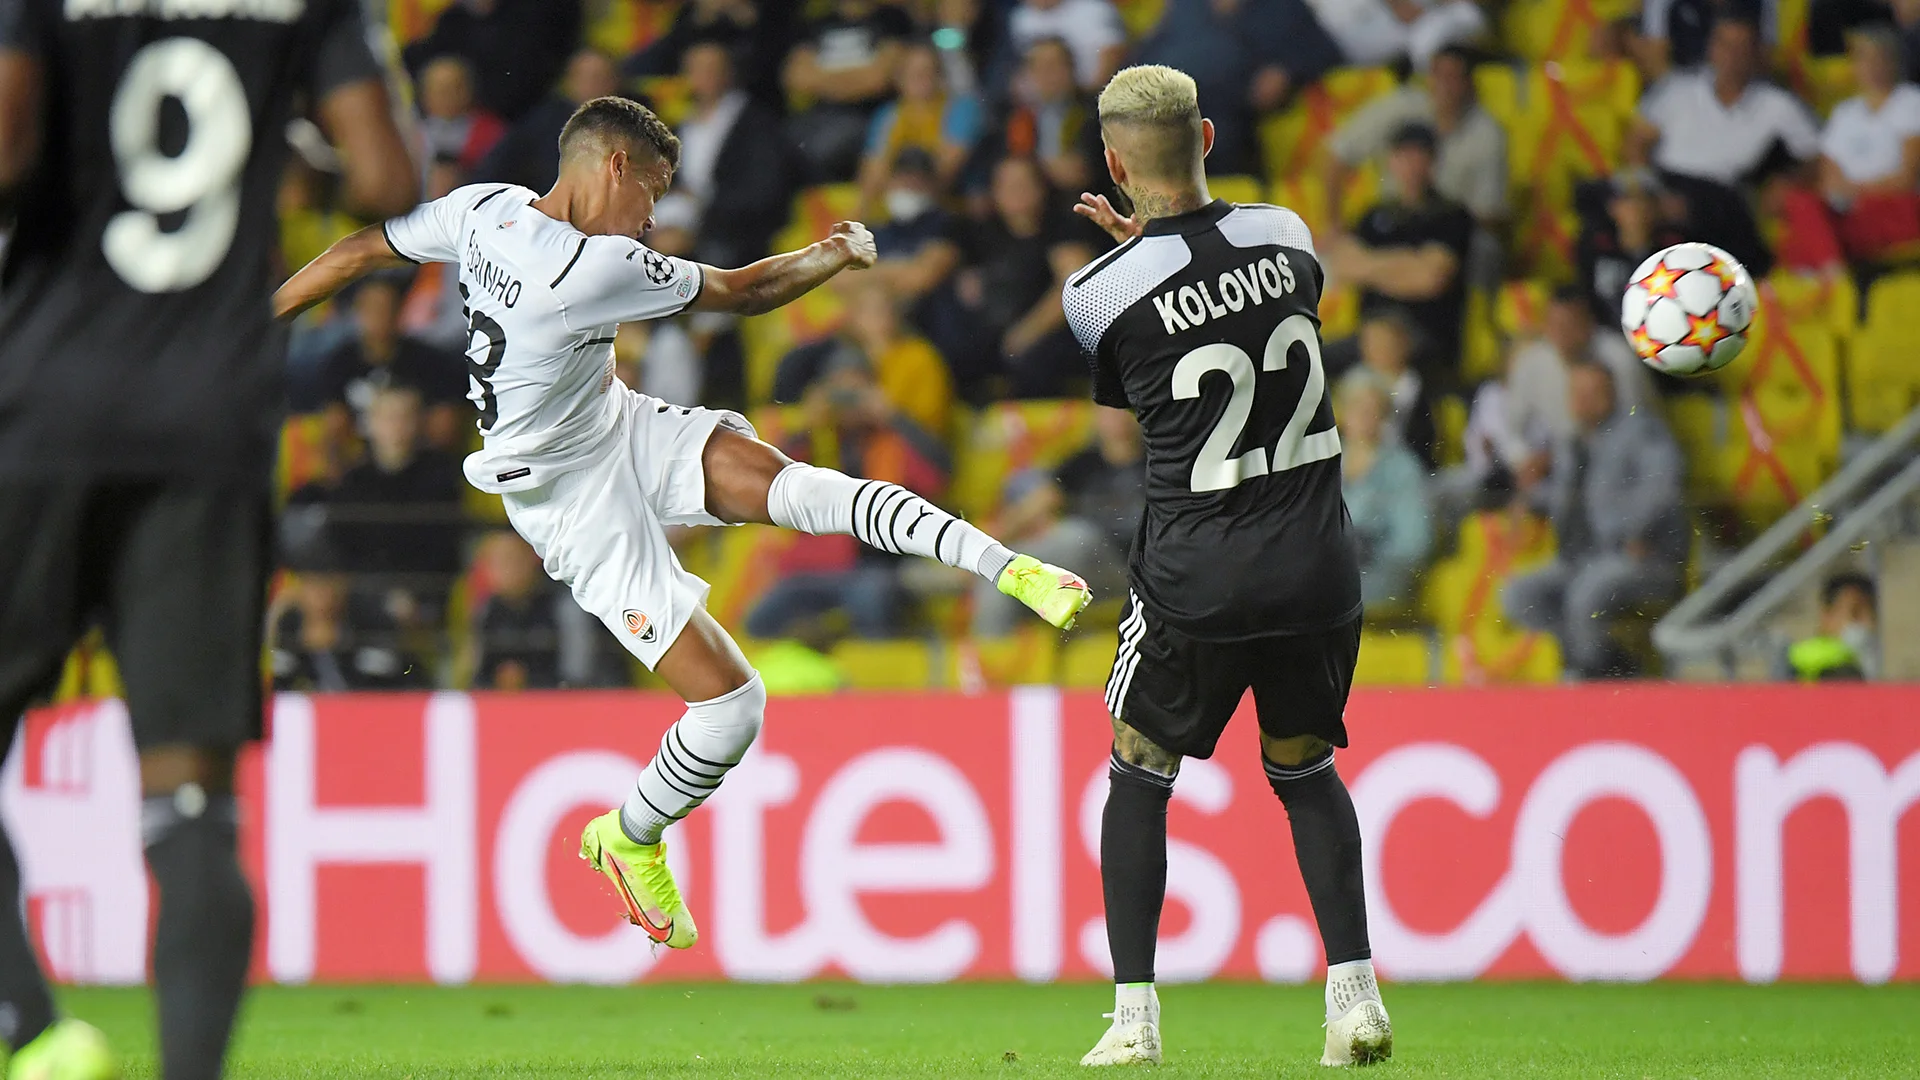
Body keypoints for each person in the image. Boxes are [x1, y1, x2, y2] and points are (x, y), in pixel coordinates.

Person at [274, 96, 1090, 954]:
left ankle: (1007, 565)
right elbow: (746, 291)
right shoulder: (596, 267)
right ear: (615, 166)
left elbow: (360, 250)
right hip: (565, 500)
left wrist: (259, 324)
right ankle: (628, 835)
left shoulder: (484, 207)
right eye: (654, 190)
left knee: (801, 489)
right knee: (733, 710)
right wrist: (833, 251)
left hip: (612, 422)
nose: (653, 216)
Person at [0, 0, 416, 1074]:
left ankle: (32, 1031)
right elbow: (387, 181)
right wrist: (289, 147)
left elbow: (6, 147)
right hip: (209, 425)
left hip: (43, 410)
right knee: (192, 803)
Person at [1064, 65, 1390, 1067]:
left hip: (1197, 577)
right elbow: (1233, 300)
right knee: (1305, 768)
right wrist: (1167, 252)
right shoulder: (1290, 234)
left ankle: (1135, 1021)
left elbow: (1149, 374)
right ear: (1206, 136)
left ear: (1113, 165)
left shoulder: (1096, 294)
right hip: (1318, 567)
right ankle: (1356, 999)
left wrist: (1142, 256)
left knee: (1138, 767)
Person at [1502, 360, 1687, 678]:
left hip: (1639, 555)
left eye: (1592, 393)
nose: (1582, 401)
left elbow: (1662, 486)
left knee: (1587, 593)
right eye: (1576, 393)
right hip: (1580, 557)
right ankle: (1598, 662)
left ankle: (1593, 674)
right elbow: (1569, 496)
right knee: (1519, 594)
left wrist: (1637, 531)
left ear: (1610, 394)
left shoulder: (1641, 431)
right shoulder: (1572, 442)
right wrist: (1529, 500)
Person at [970, 405, 1145, 636]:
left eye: (1124, 409)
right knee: (1003, 573)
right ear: (1097, 417)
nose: (1118, 418)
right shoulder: (1085, 462)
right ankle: (991, 650)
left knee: (1078, 537)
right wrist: (986, 545)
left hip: (1128, 567)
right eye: (1109, 411)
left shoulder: (1156, 462)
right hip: (1081, 566)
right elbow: (1040, 502)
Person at [1324, 121, 1475, 378]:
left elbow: (1430, 279)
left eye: (1419, 157)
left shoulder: (1451, 215)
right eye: (1404, 156)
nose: (1411, 165)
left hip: (1424, 334)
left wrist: (1369, 265)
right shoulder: (1374, 215)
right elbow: (1343, 266)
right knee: (1303, 364)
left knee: (1383, 344)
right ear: (1391, 161)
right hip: (1368, 331)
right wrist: (1407, 262)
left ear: (1433, 162)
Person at [956, 155, 1103, 397]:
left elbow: (1075, 288)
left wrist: (1025, 334)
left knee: (1033, 361)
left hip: (1049, 335)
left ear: (1041, 187)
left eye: (1022, 184)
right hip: (998, 331)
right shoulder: (984, 232)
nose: (1015, 192)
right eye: (1005, 185)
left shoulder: (1063, 228)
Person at [1780, 25, 1920, 271]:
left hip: (1893, 205)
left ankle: (1831, 272)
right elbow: (1828, 174)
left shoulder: (1910, 101)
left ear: (1893, 62)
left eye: (1880, 58)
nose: (1872, 67)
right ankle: (1834, 270)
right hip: (1850, 208)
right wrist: (1842, 194)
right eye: (1864, 59)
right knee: (1799, 203)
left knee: (1801, 244)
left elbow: (1907, 178)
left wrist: (1856, 190)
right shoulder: (1844, 112)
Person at [1326, 44, 1507, 229]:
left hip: (1451, 230)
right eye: (1438, 74)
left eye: (1452, 77)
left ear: (1467, 83)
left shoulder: (1487, 134)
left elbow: (1488, 213)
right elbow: (1339, 153)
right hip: (1392, 222)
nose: (1444, 85)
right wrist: (1335, 225)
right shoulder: (1400, 107)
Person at [314, 276, 470, 451]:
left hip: (419, 457)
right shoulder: (340, 362)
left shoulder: (430, 361)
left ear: (400, 310)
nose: (380, 316)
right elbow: (334, 426)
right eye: (372, 308)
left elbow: (444, 426)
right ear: (358, 312)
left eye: (387, 308)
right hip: (362, 458)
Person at [782, 0, 914, 181]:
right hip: (818, 114)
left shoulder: (891, 18)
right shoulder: (818, 22)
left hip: (870, 115)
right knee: (778, 145)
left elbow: (878, 80)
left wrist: (821, 78)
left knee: (820, 149)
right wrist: (856, 79)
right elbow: (797, 78)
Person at [1335, 372, 1433, 609]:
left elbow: (1413, 540)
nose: (1364, 415)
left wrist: (1368, 551)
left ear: (1384, 416)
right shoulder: (1322, 464)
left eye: (1373, 409)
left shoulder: (1403, 467)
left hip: (1377, 570)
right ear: (1343, 412)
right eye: (1357, 406)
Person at [858, 39, 983, 209]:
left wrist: (909, 186)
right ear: (899, 79)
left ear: (939, 76)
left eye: (928, 72)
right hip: (896, 195)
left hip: (948, 199)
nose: (922, 79)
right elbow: (872, 172)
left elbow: (947, 169)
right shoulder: (888, 115)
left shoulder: (961, 108)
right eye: (914, 73)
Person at [1006, 0, 1128, 93]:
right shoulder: (1020, 19)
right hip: (1039, 101)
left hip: (1090, 94)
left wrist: (1090, 95)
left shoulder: (1094, 9)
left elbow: (1113, 55)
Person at [1781, 571, 1880, 680]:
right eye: (1855, 613)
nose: (1867, 623)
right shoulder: (1807, 660)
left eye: (1872, 615)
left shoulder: (1868, 663)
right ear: (1826, 614)